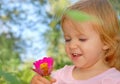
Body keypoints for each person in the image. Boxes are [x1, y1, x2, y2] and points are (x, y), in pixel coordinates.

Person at [31, 0, 120, 84]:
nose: (72, 45)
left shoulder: (114, 80)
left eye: (82, 39)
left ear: (106, 42)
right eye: (67, 39)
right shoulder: (59, 76)